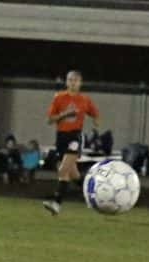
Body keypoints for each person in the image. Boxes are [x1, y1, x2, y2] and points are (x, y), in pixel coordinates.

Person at [43, 70, 99, 215]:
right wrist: (65, 114)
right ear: (66, 82)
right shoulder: (59, 98)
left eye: (76, 80)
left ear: (80, 83)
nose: (73, 83)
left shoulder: (85, 99)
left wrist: (95, 124)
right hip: (61, 137)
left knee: (62, 170)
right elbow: (50, 120)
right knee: (74, 174)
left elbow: (95, 113)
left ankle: (57, 203)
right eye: (70, 80)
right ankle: (95, 196)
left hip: (75, 136)